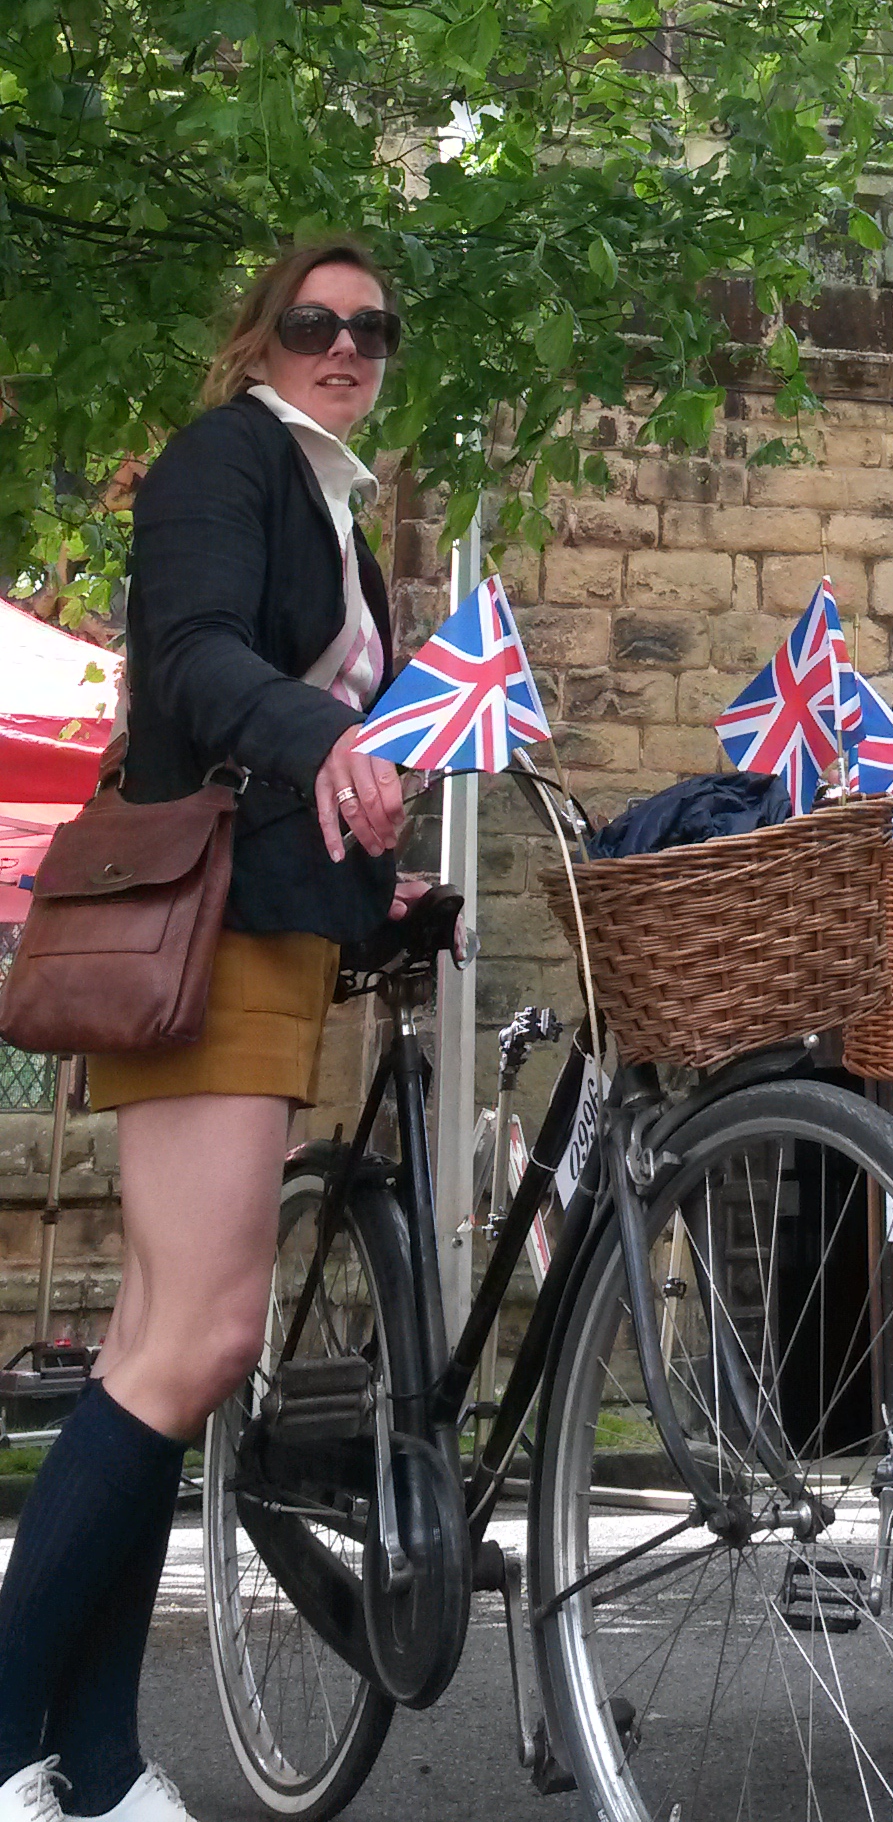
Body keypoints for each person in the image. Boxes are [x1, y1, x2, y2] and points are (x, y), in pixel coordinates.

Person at [0, 239, 411, 1822]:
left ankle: (97, 1761)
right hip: (204, 932)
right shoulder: (223, 459)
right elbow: (190, 662)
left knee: (153, 1352)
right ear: (261, 336)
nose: (344, 345)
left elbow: (314, 751)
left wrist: (382, 884)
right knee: (207, 1341)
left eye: (372, 328)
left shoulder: (333, 507)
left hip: (272, 929)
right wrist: (327, 739)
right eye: (314, 321)